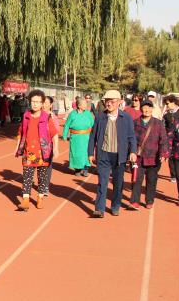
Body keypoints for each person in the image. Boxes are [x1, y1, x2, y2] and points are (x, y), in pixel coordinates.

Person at [88, 90, 137, 218]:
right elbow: (93, 136)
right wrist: (90, 153)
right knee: (102, 182)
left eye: (112, 101)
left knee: (118, 183)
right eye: (106, 101)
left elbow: (132, 136)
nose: (108, 104)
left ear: (119, 102)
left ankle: (115, 206)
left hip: (119, 156)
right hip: (103, 154)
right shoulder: (100, 117)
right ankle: (99, 209)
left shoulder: (126, 118)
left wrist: (133, 151)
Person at [15, 90, 58, 211]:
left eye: (38, 102)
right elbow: (21, 132)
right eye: (33, 101)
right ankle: (25, 201)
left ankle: (40, 198)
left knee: (42, 178)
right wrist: (17, 147)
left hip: (43, 152)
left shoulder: (47, 117)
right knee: (27, 177)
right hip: (28, 152)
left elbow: (54, 134)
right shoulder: (26, 116)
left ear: (42, 103)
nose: (35, 104)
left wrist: (56, 148)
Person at [126, 100, 169, 210]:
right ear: (141, 109)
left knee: (151, 180)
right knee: (136, 179)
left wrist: (163, 153)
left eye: (149, 108)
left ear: (152, 109)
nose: (147, 110)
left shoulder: (158, 123)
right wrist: (130, 152)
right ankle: (134, 201)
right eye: (145, 107)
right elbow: (130, 139)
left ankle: (149, 200)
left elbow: (163, 139)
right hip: (138, 157)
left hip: (153, 157)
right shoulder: (135, 122)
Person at [62, 97, 94, 177]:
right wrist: (64, 135)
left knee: (86, 153)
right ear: (79, 106)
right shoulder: (72, 114)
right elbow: (67, 125)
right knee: (76, 153)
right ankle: (77, 169)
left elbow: (93, 124)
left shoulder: (88, 114)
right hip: (75, 138)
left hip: (86, 137)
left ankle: (86, 169)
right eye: (84, 104)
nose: (86, 105)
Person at [42, 95, 61, 197]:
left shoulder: (53, 117)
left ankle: (45, 186)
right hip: (36, 145)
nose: (43, 105)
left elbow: (55, 133)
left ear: (50, 105)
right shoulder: (36, 114)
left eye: (46, 103)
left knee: (47, 166)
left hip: (48, 145)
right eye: (42, 102)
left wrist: (56, 148)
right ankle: (41, 183)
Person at [162, 95, 179, 182]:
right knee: (171, 157)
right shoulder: (166, 115)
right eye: (166, 104)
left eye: (168, 103)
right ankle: (173, 175)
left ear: (174, 102)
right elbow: (163, 126)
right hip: (169, 140)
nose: (167, 105)